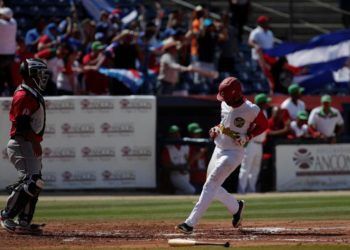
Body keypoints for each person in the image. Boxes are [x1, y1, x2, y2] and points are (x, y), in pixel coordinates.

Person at [176, 77, 268, 234]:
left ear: (236, 94)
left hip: (234, 152)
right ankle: (236, 207)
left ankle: (190, 223)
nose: (224, 100)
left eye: (226, 97)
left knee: (210, 184)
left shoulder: (251, 109)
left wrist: (248, 136)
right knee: (212, 186)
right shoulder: (224, 103)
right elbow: (223, 123)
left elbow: (264, 125)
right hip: (218, 148)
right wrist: (215, 129)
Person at [0, 58, 49, 235]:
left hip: (27, 142)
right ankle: (6, 215)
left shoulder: (31, 92)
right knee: (33, 181)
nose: (44, 77)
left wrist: (34, 141)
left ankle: (24, 222)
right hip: (21, 143)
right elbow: (21, 125)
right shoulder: (23, 95)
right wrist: (35, 141)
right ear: (31, 75)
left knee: (36, 182)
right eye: (40, 74)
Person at [238, 93, 270, 194]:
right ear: (261, 103)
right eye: (265, 102)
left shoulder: (264, 112)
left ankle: (251, 191)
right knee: (245, 168)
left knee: (255, 169)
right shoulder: (252, 112)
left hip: (259, 144)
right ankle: (241, 191)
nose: (267, 104)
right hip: (250, 143)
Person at [161, 125, 196, 194]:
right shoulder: (168, 148)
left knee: (185, 191)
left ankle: (174, 193)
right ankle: (174, 193)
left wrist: (187, 165)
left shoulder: (185, 145)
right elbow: (166, 164)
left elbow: (193, 156)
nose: (176, 135)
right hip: (175, 175)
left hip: (186, 173)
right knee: (191, 190)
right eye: (174, 133)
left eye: (177, 132)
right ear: (170, 135)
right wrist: (179, 168)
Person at [0, 7, 17, 96]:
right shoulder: (14, 22)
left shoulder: (1, 23)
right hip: (10, 54)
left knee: (2, 76)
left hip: (1, 54)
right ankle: (11, 94)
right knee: (8, 75)